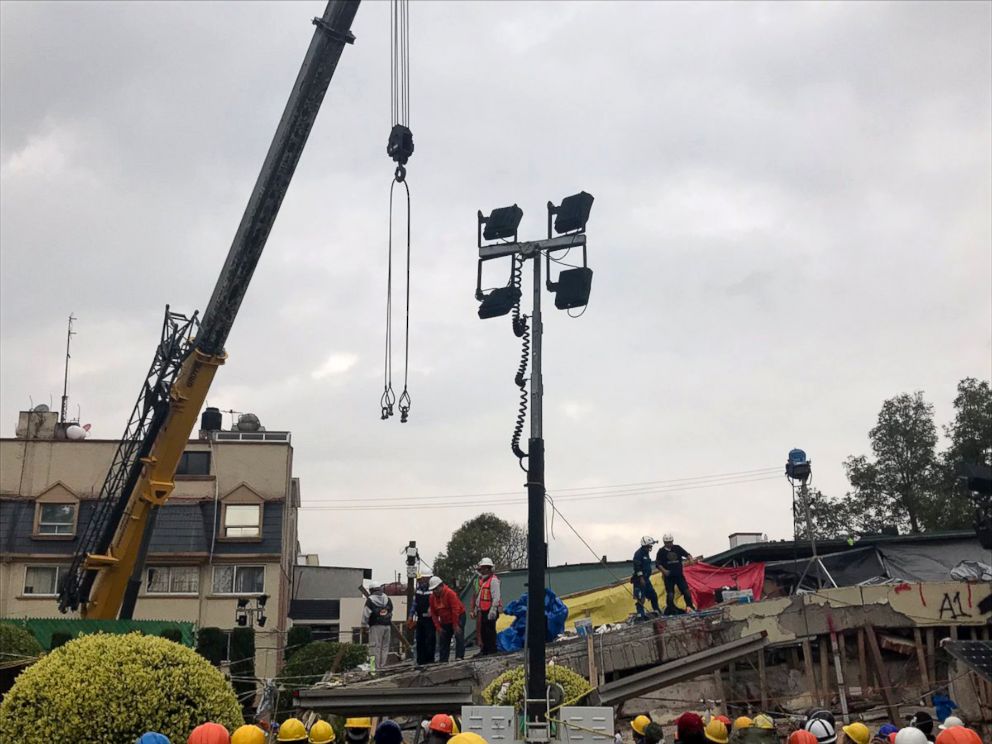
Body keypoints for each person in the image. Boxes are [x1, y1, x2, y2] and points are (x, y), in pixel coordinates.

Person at [655, 534, 697, 615]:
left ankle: (690, 607)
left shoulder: (677, 548)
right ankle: (671, 610)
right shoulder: (661, 551)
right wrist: (664, 571)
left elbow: (687, 554)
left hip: (679, 575)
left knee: (687, 592)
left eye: (670, 542)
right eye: (667, 542)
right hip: (669, 577)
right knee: (670, 595)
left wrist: (690, 559)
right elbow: (658, 564)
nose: (669, 544)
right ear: (664, 542)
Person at [429, 576, 466, 662]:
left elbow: (455, 610)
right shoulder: (432, 598)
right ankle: (443, 659)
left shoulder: (450, 593)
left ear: (441, 586)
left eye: (436, 589)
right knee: (444, 638)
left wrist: (455, 624)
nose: (435, 591)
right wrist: (438, 627)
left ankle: (459, 657)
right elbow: (434, 614)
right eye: (433, 589)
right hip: (445, 619)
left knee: (458, 635)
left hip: (458, 616)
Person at [471, 557, 502, 656]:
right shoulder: (484, 581)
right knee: (483, 631)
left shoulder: (493, 580)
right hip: (484, 609)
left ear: (489, 569)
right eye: (482, 568)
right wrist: (476, 608)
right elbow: (479, 596)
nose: (482, 570)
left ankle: (492, 651)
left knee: (490, 632)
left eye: (484, 568)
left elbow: (496, 596)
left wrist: (493, 609)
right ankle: (485, 651)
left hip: (490, 610)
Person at [363, 581, 394, 670]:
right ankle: (382, 667)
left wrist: (364, 626)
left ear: (371, 590)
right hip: (387, 626)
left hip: (375, 626)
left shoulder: (370, 600)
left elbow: (366, 614)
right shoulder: (387, 598)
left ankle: (373, 669)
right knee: (385, 647)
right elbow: (391, 611)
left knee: (374, 647)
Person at [632, 536, 662, 619]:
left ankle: (656, 610)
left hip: (646, 580)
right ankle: (640, 615)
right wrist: (641, 577)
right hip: (639, 580)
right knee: (641, 598)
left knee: (653, 595)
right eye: (649, 546)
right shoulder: (638, 554)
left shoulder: (646, 553)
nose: (651, 547)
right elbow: (637, 566)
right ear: (645, 545)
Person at [411, 571, 437, 665]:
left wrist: (432, 609)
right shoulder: (418, 590)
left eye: (426, 578)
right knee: (420, 639)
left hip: (430, 619)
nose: (423, 580)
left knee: (430, 639)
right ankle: (420, 661)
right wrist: (411, 616)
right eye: (422, 579)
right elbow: (415, 603)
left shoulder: (432, 590)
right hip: (421, 619)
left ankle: (430, 660)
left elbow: (436, 602)